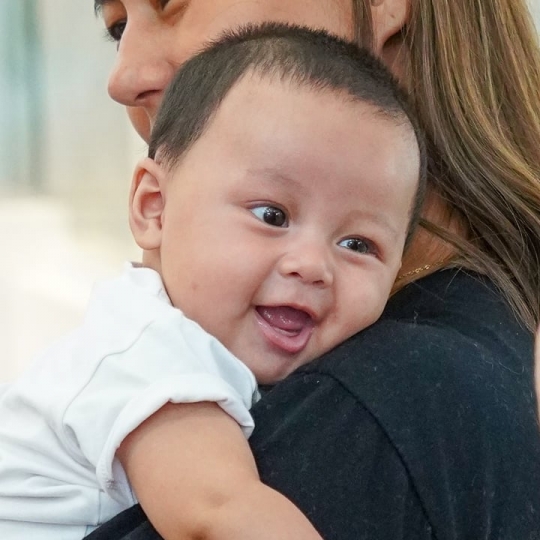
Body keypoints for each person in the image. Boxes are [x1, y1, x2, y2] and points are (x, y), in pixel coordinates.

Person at [85, 0, 540, 539]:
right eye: (118, 29)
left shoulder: (372, 409)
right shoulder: (495, 340)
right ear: (150, 203)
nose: (124, 77)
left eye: (171, 3)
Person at [0, 24, 426, 540]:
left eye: (358, 245)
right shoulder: (147, 352)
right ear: (153, 206)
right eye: (271, 214)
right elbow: (218, 516)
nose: (312, 265)